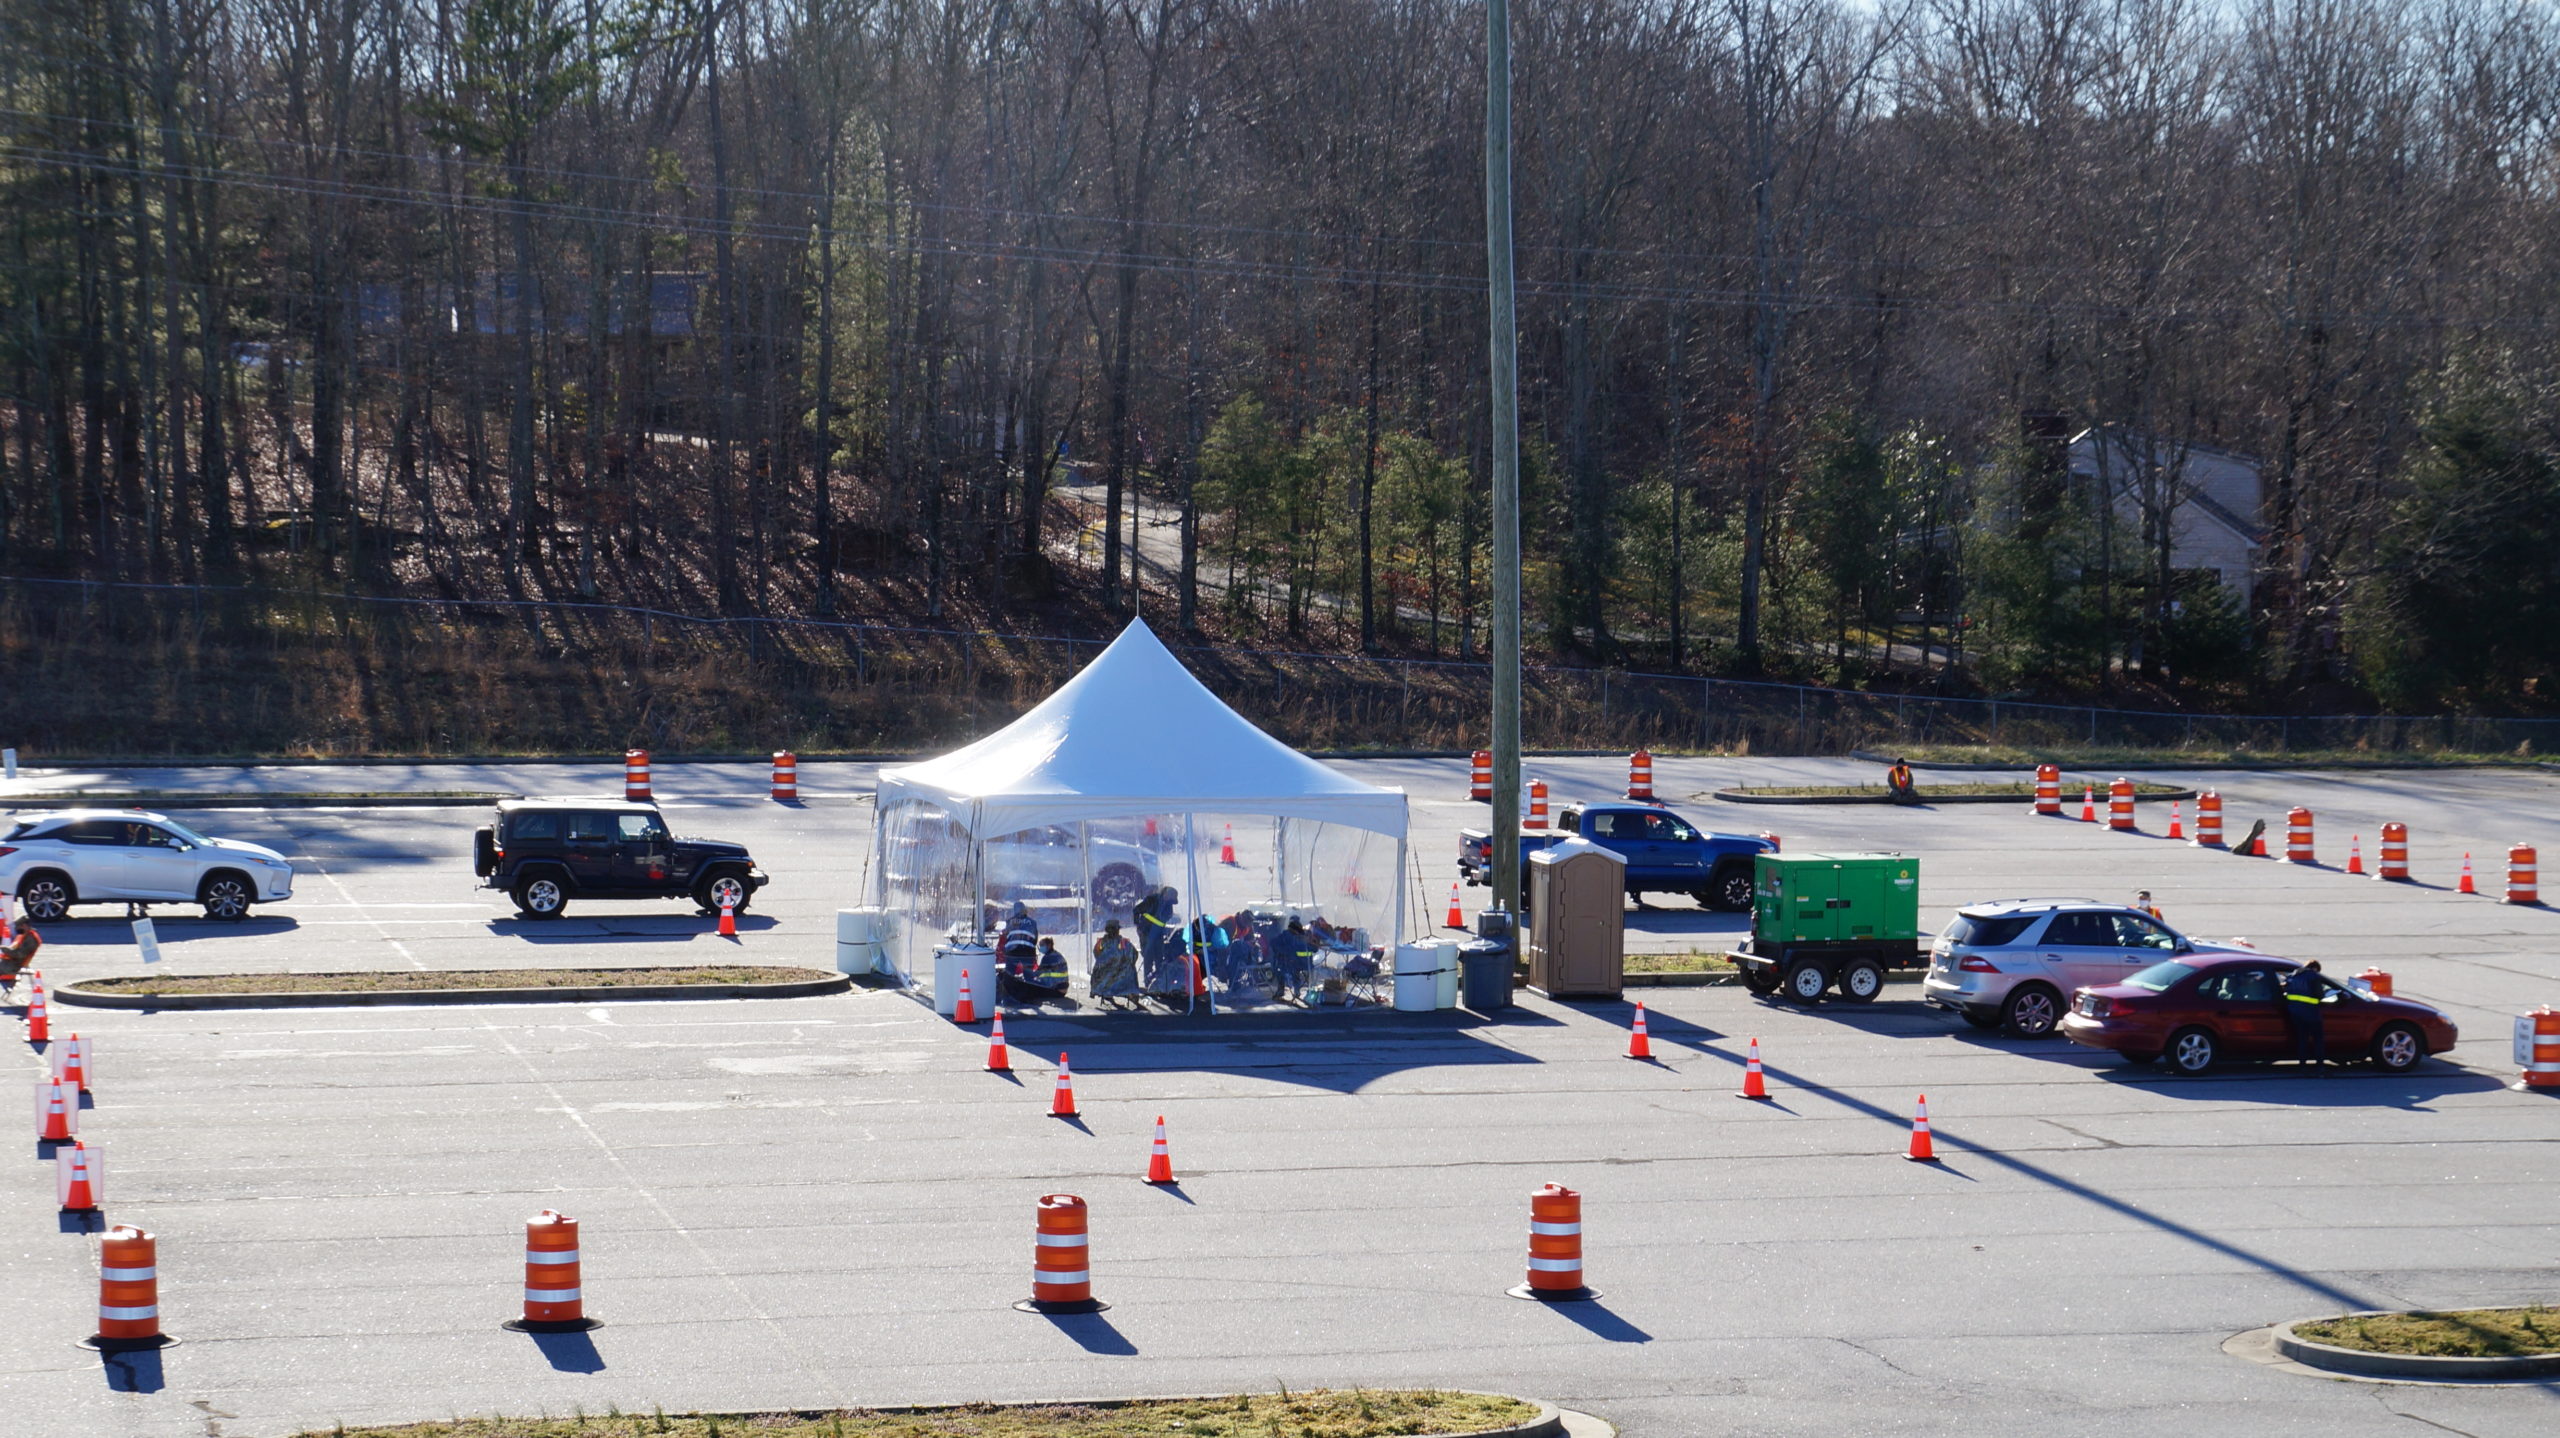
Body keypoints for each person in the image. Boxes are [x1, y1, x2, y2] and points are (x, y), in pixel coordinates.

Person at [2283, 959, 2328, 1066]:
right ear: (2315, 968)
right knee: (2318, 1040)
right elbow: (2320, 995)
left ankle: (2303, 1067)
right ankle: (2320, 1068)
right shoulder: (2314, 976)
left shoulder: (2293, 976)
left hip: (2295, 1012)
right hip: (2311, 1013)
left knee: (2303, 1040)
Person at [1090, 920, 1141, 1010]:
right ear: (1118, 930)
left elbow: (1096, 954)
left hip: (1103, 979)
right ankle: (1130, 992)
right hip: (1120, 977)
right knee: (1130, 968)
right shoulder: (1123, 943)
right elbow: (1133, 955)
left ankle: (1107, 992)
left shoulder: (1101, 943)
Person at [1272, 916, 1316, 1003]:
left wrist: (1282, 952)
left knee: (1279, 967)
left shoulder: (1286, 936)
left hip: (1291, 964)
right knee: (1292, 969)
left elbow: (1274, 943)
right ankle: (1297, 990)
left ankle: (1282, 990)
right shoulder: (1306, 936)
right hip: (1306, 965)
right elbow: (1315, 949)